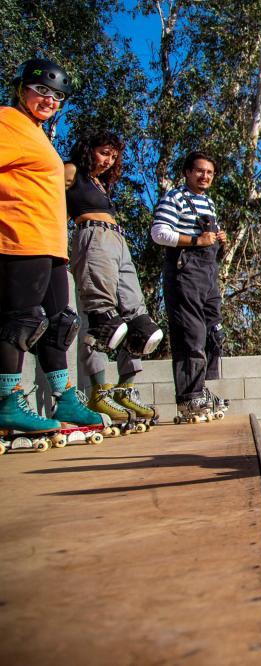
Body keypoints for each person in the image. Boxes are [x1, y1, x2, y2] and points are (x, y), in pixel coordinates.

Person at [0, 58, 107, 443]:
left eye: (58, 95)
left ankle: (64, 399)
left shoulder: (37, 133)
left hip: (50, 243)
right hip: (19, 236)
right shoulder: (7, 121)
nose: (49, 99)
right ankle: (8, 402)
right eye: (41, 90)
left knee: (62, 322)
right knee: (22, 321)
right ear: (21, 88)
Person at [65, 129, 163, 430]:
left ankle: (125, 389)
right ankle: (98, 391)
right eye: (104, 153)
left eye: (113, 156)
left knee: (141, 327)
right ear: (88, 148)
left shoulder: (101, 185)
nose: (109, 160)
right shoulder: (70, 171)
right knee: (103, 320)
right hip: (92, 238)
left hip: (118, 243)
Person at [150, 151, 230, 421]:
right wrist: (196, 241)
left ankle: (201, 389)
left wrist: (220, 240)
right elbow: (159, 233)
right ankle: (188, 398)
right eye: (199, 171)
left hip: (208, 275)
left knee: (212, 332)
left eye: (209, 172)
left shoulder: (208, 202)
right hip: (185, 274)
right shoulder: (175, 198)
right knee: (190, 334)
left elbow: (210, 243)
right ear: (186, 172)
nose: (204, 176)